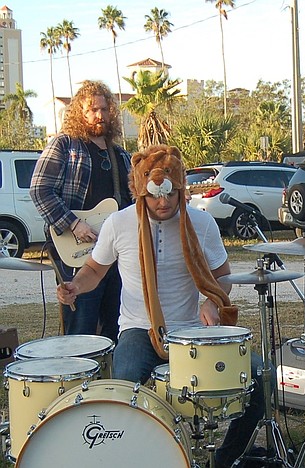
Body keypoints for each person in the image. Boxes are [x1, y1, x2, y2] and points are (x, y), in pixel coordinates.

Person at [57, 145, 263, 467]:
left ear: (180, 187)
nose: (163, 202)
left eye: (170, 194)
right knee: (125, 389)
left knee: (258, 378)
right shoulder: (118, 223)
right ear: (140, 191)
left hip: (191, 332)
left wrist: (211, 300)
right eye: (154, 195)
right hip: (139, 328)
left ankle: (224, 459)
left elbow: (224, 277)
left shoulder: (202, 223)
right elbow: (95, 270)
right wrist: (75, 286)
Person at [30, 80, 133, 342]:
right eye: (92, 110)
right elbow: (40, 189)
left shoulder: (120, 155)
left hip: (114, 254)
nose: (99, 115)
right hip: (77, 251)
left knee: (117, 324)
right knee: (81, 328)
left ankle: (110, 380)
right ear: (80, 112)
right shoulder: (64, 145)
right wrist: (74, 224)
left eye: (104, 109)